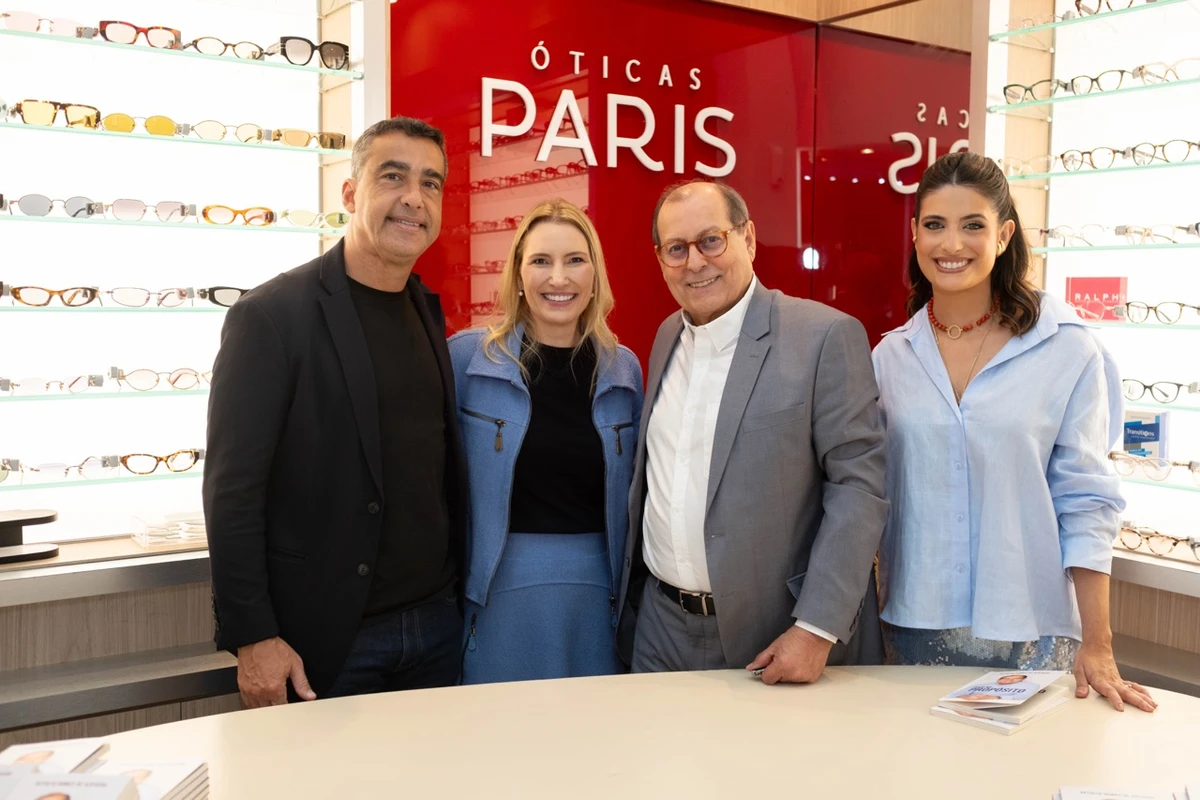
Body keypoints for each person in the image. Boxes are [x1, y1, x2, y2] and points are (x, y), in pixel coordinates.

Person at [871, 151, 1155, 713]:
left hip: (1031, 630)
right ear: (915, 235)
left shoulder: (1067, 348)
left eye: (972, 225)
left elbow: (1086, 499)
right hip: (913, 622)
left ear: (1003, 235)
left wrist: (1098, 643)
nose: (951, 244)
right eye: (935, 225)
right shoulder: (890, 357)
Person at [204, 116, 467, 707]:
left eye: (430, 183)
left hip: (435, 629)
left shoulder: (426, 310)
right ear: (350, 193)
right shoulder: (271, 317)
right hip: (327, 643)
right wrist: (254, 636)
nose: (413, 198)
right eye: (392, 177)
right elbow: (232, 490)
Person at [615, 180, 889, 684]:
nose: (695, 262)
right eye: (677, 249)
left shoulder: (824, 337)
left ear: (749, 238)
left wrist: (815, 628)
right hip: (658, 629)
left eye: (711, 240)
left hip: (772, 636)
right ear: (660, 259)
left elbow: (859, 488)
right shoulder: (665, 337)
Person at [448, 198, 644, 683]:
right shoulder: (468, 361)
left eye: (575, 260)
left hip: (598, 601)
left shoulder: (625, 370)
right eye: (540, 261)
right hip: (494, 598)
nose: (559, 278)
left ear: (595, 274)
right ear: (517, 273)